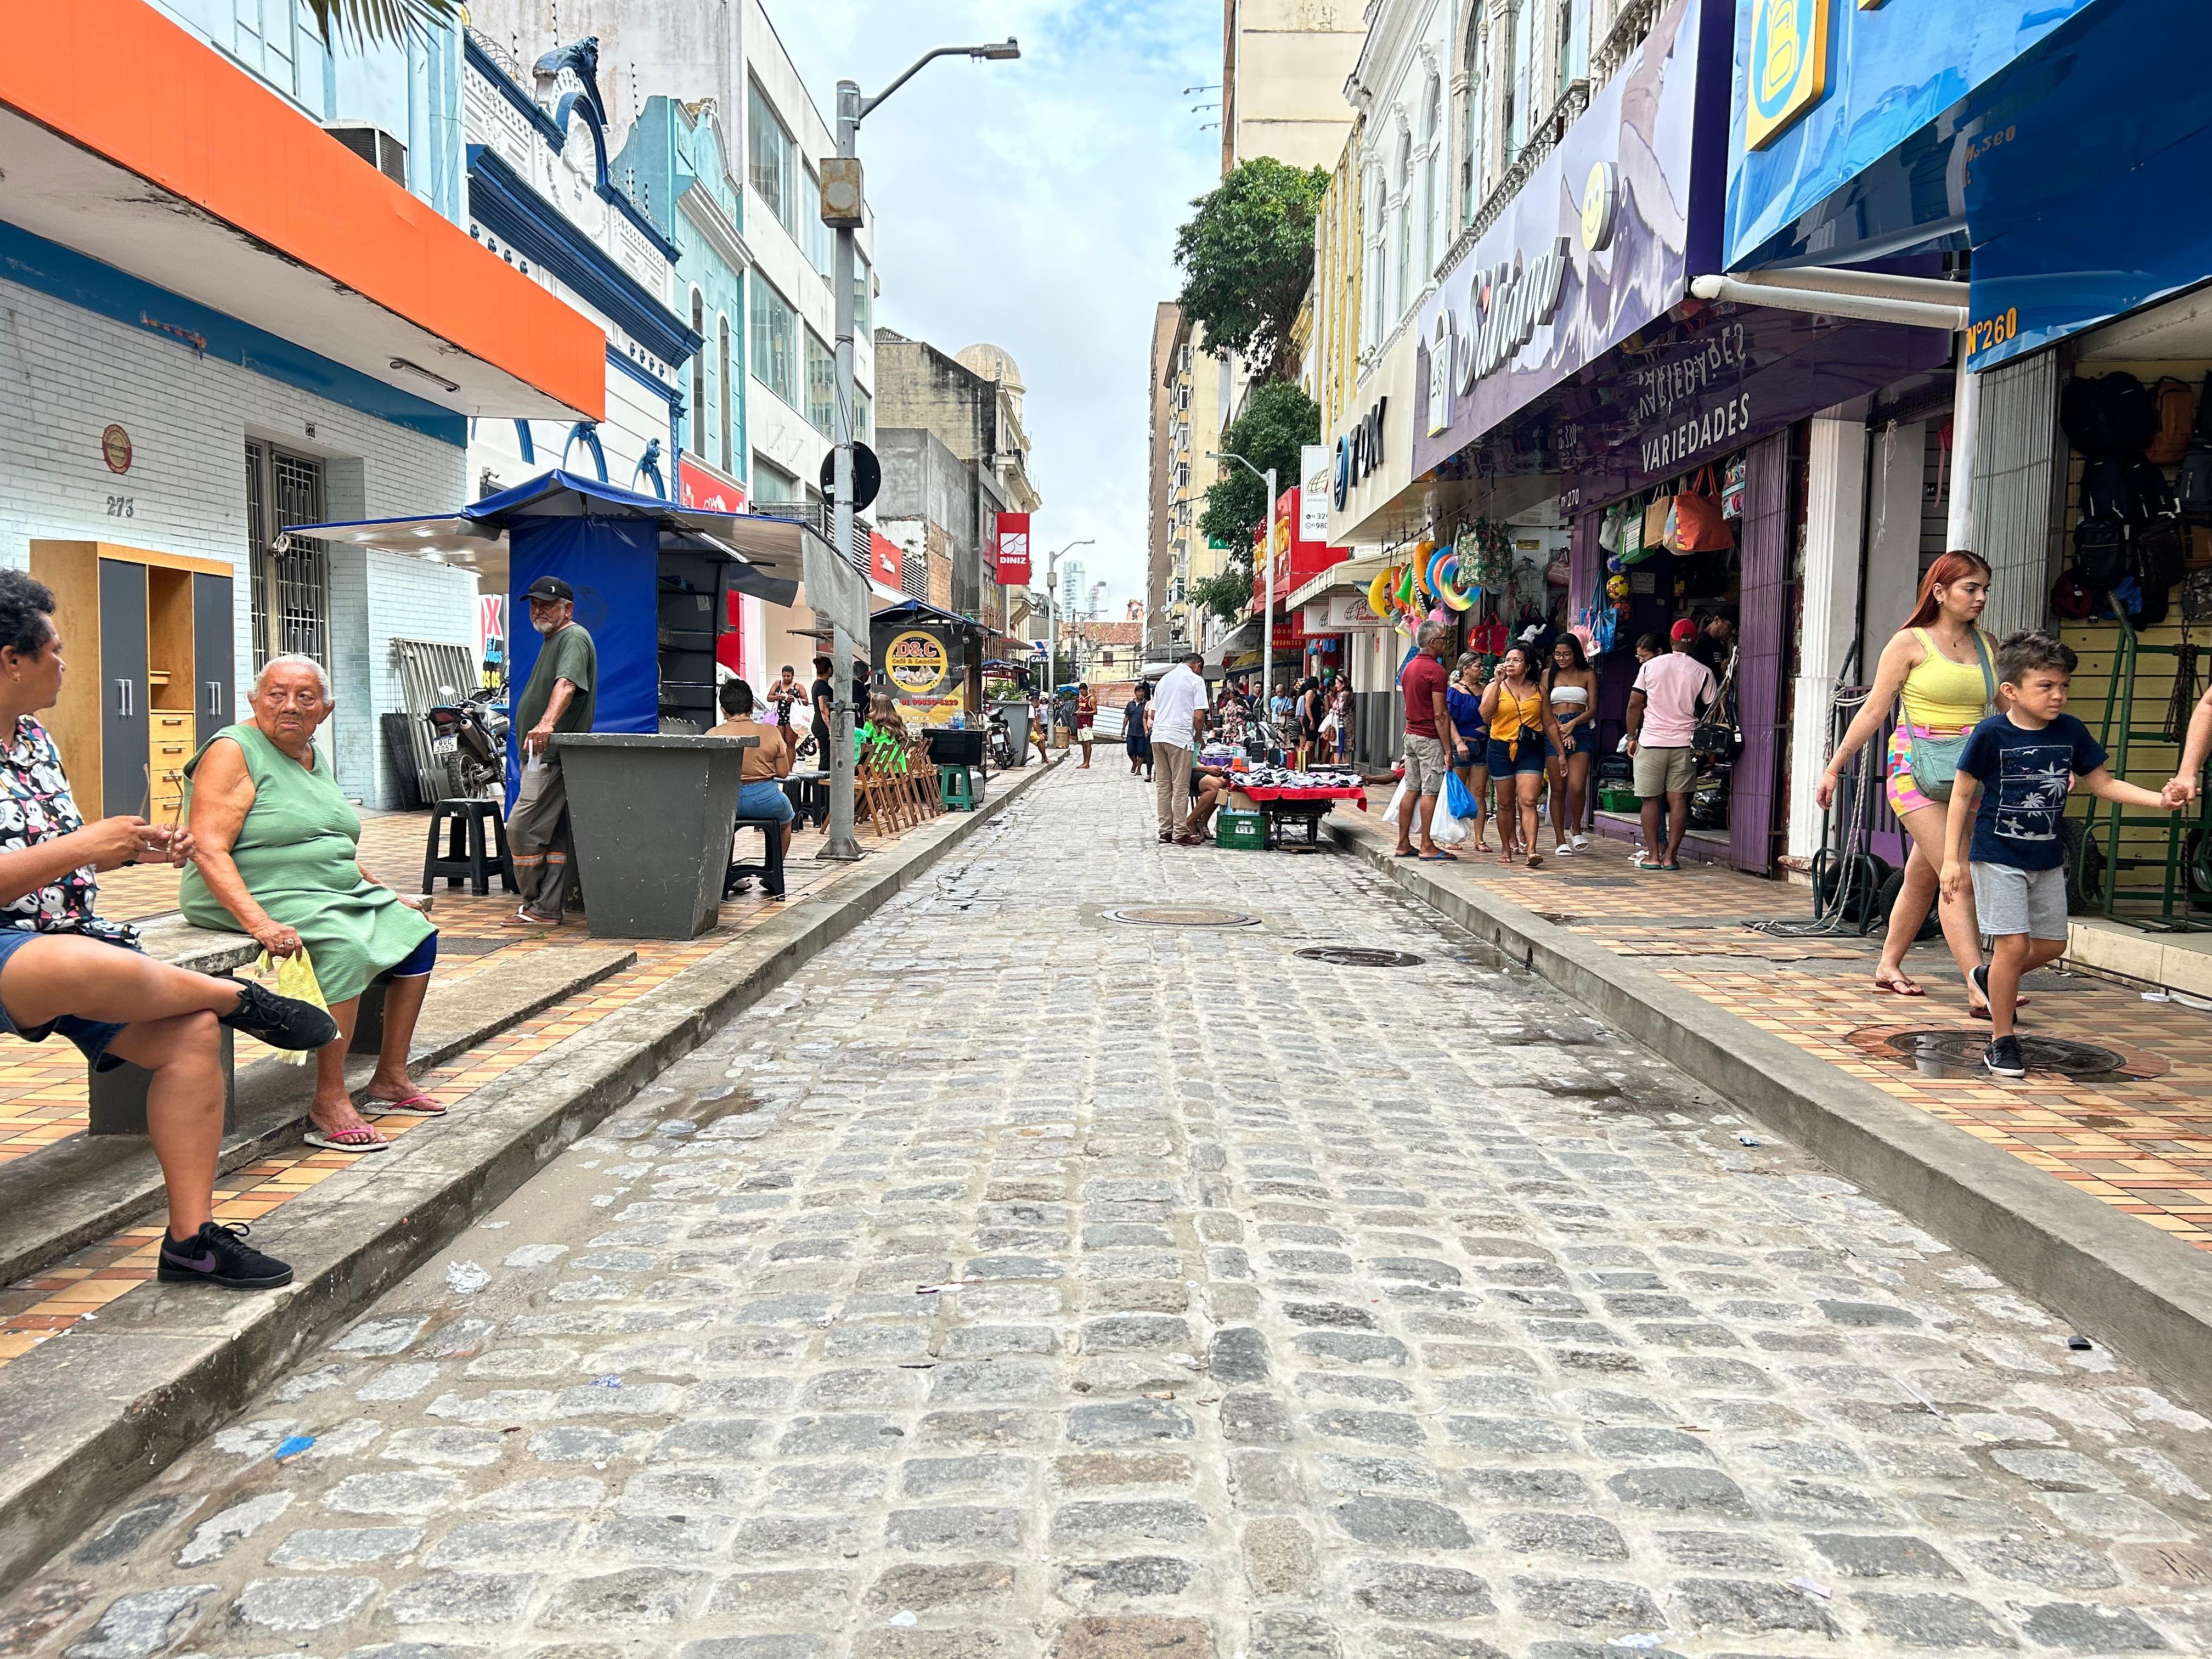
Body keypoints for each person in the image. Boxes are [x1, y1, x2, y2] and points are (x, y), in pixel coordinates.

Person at [0, 572, 337, 1289]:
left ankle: (192, 1241)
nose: (65, 663)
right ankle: (235, 998)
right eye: (55, 650)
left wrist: (127, 851)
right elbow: (54, 857)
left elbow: (49, 858)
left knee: (187, 1035)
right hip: (21, 948)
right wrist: (85, 846)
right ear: (11, 659)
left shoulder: (30, 737)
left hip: (69, 936)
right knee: (68, 961)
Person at [182, 656, 441, 1153]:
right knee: (344, 946)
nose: (290, 707)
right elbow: (209, 847)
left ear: (326, 709)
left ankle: (390, 1078)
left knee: (415, 932)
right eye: (276, 695)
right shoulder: (234, 750)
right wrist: (260, 923)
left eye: (305, 697)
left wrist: (381, 891)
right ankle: (330, 1097)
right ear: (255, 701)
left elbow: (327, 839)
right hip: (251, 891)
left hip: (320, 889)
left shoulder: (312, 754)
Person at [1942, 633, 2184, 1077]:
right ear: (2011, 691)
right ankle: (2001, 1040)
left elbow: (2105, 785)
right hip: (1996, 853)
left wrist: (2160, 800)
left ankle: (1989, 977)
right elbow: (1960, 795)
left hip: (2047, 858)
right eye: (2046, 686)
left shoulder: (2071, 730)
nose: (2058, 695)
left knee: (2052, 945)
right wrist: (1951, 859)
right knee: (2013, 945)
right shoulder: (1990, 733)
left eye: (2064, 686)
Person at [1815, 551, 2007, 1008]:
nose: (1980, 598)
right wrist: (1834, 766)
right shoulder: (1909, 643)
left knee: (1924, 873)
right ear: (1939, 592)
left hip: (1967, 775)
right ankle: (1980, 982)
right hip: (1915, 771)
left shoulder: (1989, 645)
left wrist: (2049, 758)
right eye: (1970, 589)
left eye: (1984, 589)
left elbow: (2005, 709)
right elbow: (1876, 709)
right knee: (1955, 871)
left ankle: (1888, 964)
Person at [504, 574, 597, 928]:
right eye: (535, 604)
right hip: (543, 754)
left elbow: (567, 683)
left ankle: (536, 901)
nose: (539, 610)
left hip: (551, 754)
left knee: (521, 827)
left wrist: (546, 723)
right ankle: (546, 906)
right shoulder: (555, 638)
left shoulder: (573, 636)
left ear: (567, 609)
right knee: (554, 834)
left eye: (548, 604)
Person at [1626, 622, 1717, 872]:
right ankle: (1671, 858)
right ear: (1695, 641)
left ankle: (1654, 856)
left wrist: (1632, 736)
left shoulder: (1650, 667)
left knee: (1650, 801)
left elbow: (1635, 704)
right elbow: (1710, 711)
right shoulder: (1704, 671)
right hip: (1685, 744)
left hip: (1652, 741)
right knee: (1679, 801)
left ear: (1671, 639)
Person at [1481, 644, 1565, 868]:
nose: (1510, 664)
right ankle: (1507, 848)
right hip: (1500, 748)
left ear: (1527, 666)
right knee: (1505, 803)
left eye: (1516, 660)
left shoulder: (1539, 690)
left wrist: (1561, 753)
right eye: (1507, 660)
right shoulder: (1494, 687)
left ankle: (1532, 850)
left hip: (1530, 749)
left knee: (1528, 800)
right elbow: (1485, 716)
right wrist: (1497, 683)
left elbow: (1549, 723)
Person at [707, 678, 795, 860]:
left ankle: (725, 872)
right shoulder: (771, 732)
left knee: (719, 827)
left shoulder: (713, 735)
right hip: (766, 801)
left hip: (725, 802)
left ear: (724, 710)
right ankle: (774, 869)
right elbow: (783, 773)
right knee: (786, 821)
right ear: (752, 706)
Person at [1393, 620, 1456, 862]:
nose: (1446, 643)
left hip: (1410, 734)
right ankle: (1427, 845)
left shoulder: (1409, 668)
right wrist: (1448, 750)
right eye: (1444, 639)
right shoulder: (1436, 671)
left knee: (1412, 789)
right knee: (1430, 791)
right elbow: (1440, 714)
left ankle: (1403, 843)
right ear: (1433, 642)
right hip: (1429, 737)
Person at [1544, 634, 1598, 855]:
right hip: (1553, 727)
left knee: (1577, 786)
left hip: (1581, 728)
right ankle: (1559, 839)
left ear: (1576, 654)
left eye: (1566, 654)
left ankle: (1576, 828)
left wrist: (1572, 726)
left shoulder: (1588, 674)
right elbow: (1543, 706)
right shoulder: (1548, 675)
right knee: (1558, 788)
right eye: (1557, 654)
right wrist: (1560, 729)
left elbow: (1592, 708)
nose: (1561, 658)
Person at [1150, 647, 1210, 843]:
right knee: (1181, 787)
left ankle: (1165, 831)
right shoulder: (1196, 680)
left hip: (1158, 736)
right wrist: (1198, 736)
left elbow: (1152, 714)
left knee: (1163, 786)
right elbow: (1199, 715)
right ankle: (1180, 832)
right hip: (1179, 737)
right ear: (1198, 666)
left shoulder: (1164, 680)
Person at [1444, 653, 1489, 854]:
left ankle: (1479, 839)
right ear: (1466, 669)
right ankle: (1451, 835)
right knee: (1458, 792)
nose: (1481, 669)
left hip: (1483, 745)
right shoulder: (1455, 692)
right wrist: (1458, 742)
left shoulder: (1487, 689)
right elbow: (1449, 720)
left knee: (1479, 792)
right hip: (1463, 745)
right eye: (1477, 666)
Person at [1691, 611, 1736, 680]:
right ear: (1717, 620)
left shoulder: (1721, 647)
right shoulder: (1699, 643)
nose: (1733, 632)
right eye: (1730, 626)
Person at [809, 654, 837, 765]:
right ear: (830, 669)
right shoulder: (822, 686)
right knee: (826, 756)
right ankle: (822, 780)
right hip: (822, 725)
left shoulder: (818, 684)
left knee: (826, 754)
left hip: (819, 723)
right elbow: (824, 709)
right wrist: (830, 728)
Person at [768, 665, 804, 744]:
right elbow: (769, 698)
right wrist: (778, 697)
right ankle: (783, 756)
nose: (786, 678)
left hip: (792, 717)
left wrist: (795, 699)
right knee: (781, 742)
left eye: (788, 676)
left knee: (790, 742)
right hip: (779, 716)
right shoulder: (778, 683)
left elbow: (806, 701)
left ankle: (790, 757)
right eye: (784, 676)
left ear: (793, 676)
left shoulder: (798, 686)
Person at [1125, 683, 1153, 779]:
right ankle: (1135, 763)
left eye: (1143, 691)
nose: (1141, 693)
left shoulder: (1146, 704)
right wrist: (1123, 729)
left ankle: (1139, 769)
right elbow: (1127, 716)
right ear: (1135, 693)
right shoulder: (1130, 705)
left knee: (1142, 752)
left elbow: (1146, 717)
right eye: (1139, 691)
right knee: (1130, 751)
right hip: (1131, 731)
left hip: (1142, 732)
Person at [1074, 685, 1098, 769]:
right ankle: (1084, 762)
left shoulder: (1091, 699)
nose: (1082, 694)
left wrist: (1084, 713)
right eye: (1080, 693)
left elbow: (1095, 711)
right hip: (1080, 723)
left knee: (1087, 743)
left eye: (1082, 692)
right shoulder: (1081, 699)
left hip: (1087, 724)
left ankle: (1087, 763)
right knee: (1083, 743)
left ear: (1086, 690)